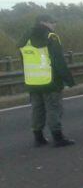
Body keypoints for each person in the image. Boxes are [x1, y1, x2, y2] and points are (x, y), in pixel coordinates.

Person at [17, 14, 76, 147]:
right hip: (51, 80)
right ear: (43, 22)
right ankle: (58, 138)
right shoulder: (51, 37)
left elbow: (22, 58)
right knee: (54, 109)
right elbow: (58, 60)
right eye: (52, 22)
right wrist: (68, 80)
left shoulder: (25, 37)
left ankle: (38, 138)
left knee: (37, 109)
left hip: (32, 80)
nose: (54, 24)